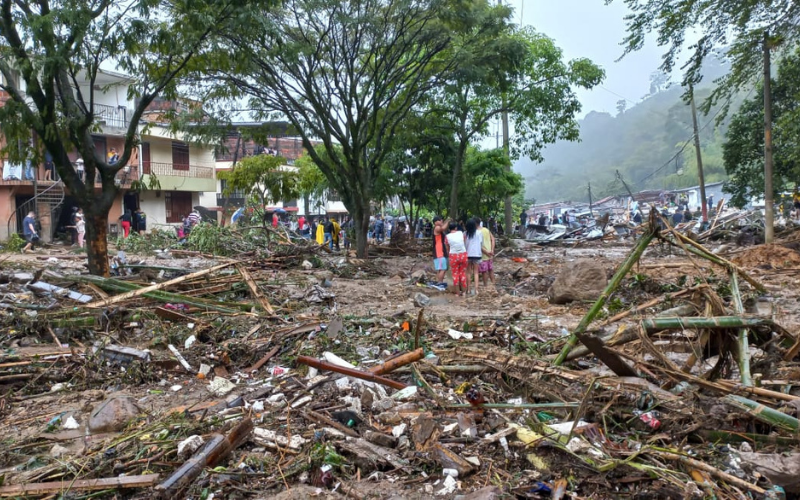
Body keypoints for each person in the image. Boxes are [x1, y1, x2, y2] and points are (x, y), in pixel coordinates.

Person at [444, 222, 468, 296]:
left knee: (455, 274)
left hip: (453, 255)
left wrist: (449, 254)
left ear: (449, 229)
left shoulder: (447, 236)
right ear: (456, 228)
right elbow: (464, 242)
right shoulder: (461, 233)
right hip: (463, 254)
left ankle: (457, 293)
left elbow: (447, 247)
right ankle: (464, 292)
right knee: (463, 273)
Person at [464, 218, 484, 296]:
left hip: (468, 254)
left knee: (468, 272)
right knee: (476, 272)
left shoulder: (465, 233)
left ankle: (468, 289)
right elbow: (481, 243)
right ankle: (476, 290)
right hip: (477, 254)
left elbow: (464, 244)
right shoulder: (479, 233)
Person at [477, 217, 495, 288]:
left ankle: (486, 286)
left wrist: (486, 252)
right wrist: (492, 250)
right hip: (490, 253)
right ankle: (493, 284)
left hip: (483, 255)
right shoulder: (486, 229)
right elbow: (493, 239)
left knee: (484, 271)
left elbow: (478, 244)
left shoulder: (476, 232)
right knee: (491, 270)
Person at [432, 216, 449, 288]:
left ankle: (439, 282)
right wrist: (448, 221)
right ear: (435, 222)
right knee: (443, 268)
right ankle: (440, 282)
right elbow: (443, 228)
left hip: (441, 250)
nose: (441, 221)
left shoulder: (439, 228)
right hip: (439, 251)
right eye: (440, 220)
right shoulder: (437, 228)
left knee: (440, 268)